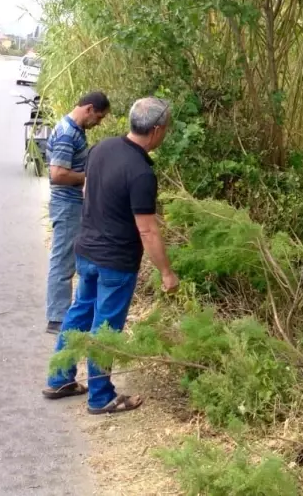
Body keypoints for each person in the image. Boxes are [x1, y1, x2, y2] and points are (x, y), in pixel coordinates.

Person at [42, 97, 180, 414]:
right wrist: (167, 273)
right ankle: (101, 396)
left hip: (87, 250)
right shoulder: (142, 173)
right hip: (115, 262)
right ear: (157, 131)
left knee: (79, 313)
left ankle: (60, 378)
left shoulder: (101, 148)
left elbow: (89, 193)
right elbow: (147, 230)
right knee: (106, 327)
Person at [45, 91, 112, 334]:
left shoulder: (74, 130)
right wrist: (90, 177)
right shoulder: (66, 134)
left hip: (75, 205)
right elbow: (58, 175)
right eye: (99, 117)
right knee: (62, 260)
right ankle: (57, 318)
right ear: (90, 109)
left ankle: (65, 314)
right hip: (66, 205)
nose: (99, 123)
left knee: (71, 259)